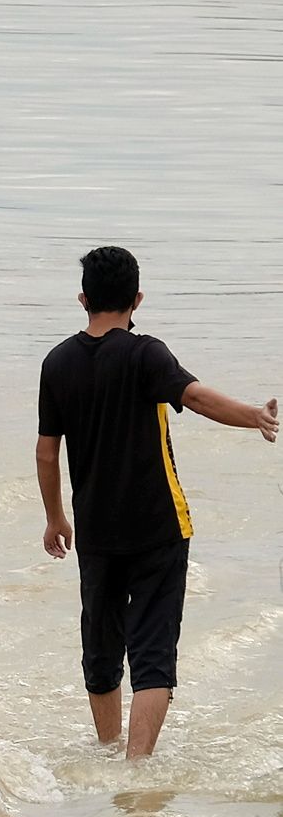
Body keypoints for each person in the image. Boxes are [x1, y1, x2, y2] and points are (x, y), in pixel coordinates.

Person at [37, 245, 276, 760]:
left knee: (101, 647)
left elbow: (46, 452)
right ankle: (136, 769)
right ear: (137, 298)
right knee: (152, 652)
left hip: (96, 533)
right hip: (158, 528)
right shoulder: (147, 353)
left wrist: (56, 516)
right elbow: (195, 397)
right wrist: (254, 415)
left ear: (83, 300)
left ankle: (107, 755)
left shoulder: (56, 362)